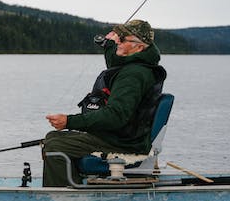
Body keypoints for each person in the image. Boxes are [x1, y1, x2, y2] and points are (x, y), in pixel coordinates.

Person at [42, 19, 166, 187]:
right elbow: (116, 64)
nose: (117, 42)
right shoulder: (137, 65)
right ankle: (74, 185)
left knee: (56, 144)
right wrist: (109, 45)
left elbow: (115, 116)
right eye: (118, 37)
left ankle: (62, 198)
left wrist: (69, 121)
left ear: (139, 47)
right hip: (124, 136)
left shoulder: (133, 75)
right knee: (52, 138)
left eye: (122, 39)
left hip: (123, 142)